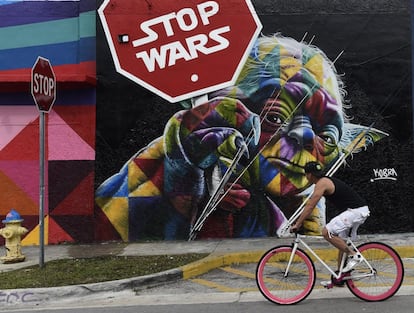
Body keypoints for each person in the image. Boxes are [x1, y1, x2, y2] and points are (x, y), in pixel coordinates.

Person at [290, 161, 370, 277]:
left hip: (355, 211)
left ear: (309, 175)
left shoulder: (322, 183)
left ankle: (354, 255)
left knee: (326, 232)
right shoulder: (325, 180)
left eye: (306, 174)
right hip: (357, 211)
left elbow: (310, 206)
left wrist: (298, 224)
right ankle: (342, 275)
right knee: (341, 242)